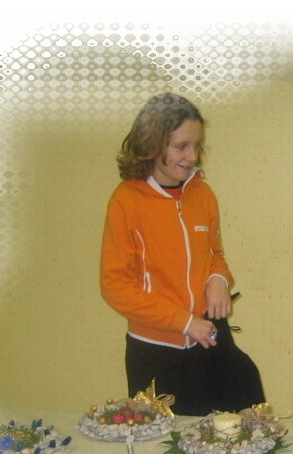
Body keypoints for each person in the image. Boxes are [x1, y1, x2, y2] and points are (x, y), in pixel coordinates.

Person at [100, 92, 265, 415]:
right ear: (152, 144)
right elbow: (115, 287)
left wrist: (218, 279)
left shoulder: (202, 194)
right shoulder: (127, 201)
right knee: (168, 442)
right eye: (181, 146)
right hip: (156, 352)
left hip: (209, 339)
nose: (192, 156)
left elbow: (215, 253)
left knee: (244, 424)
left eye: (197, 145)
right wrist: (184, 322)